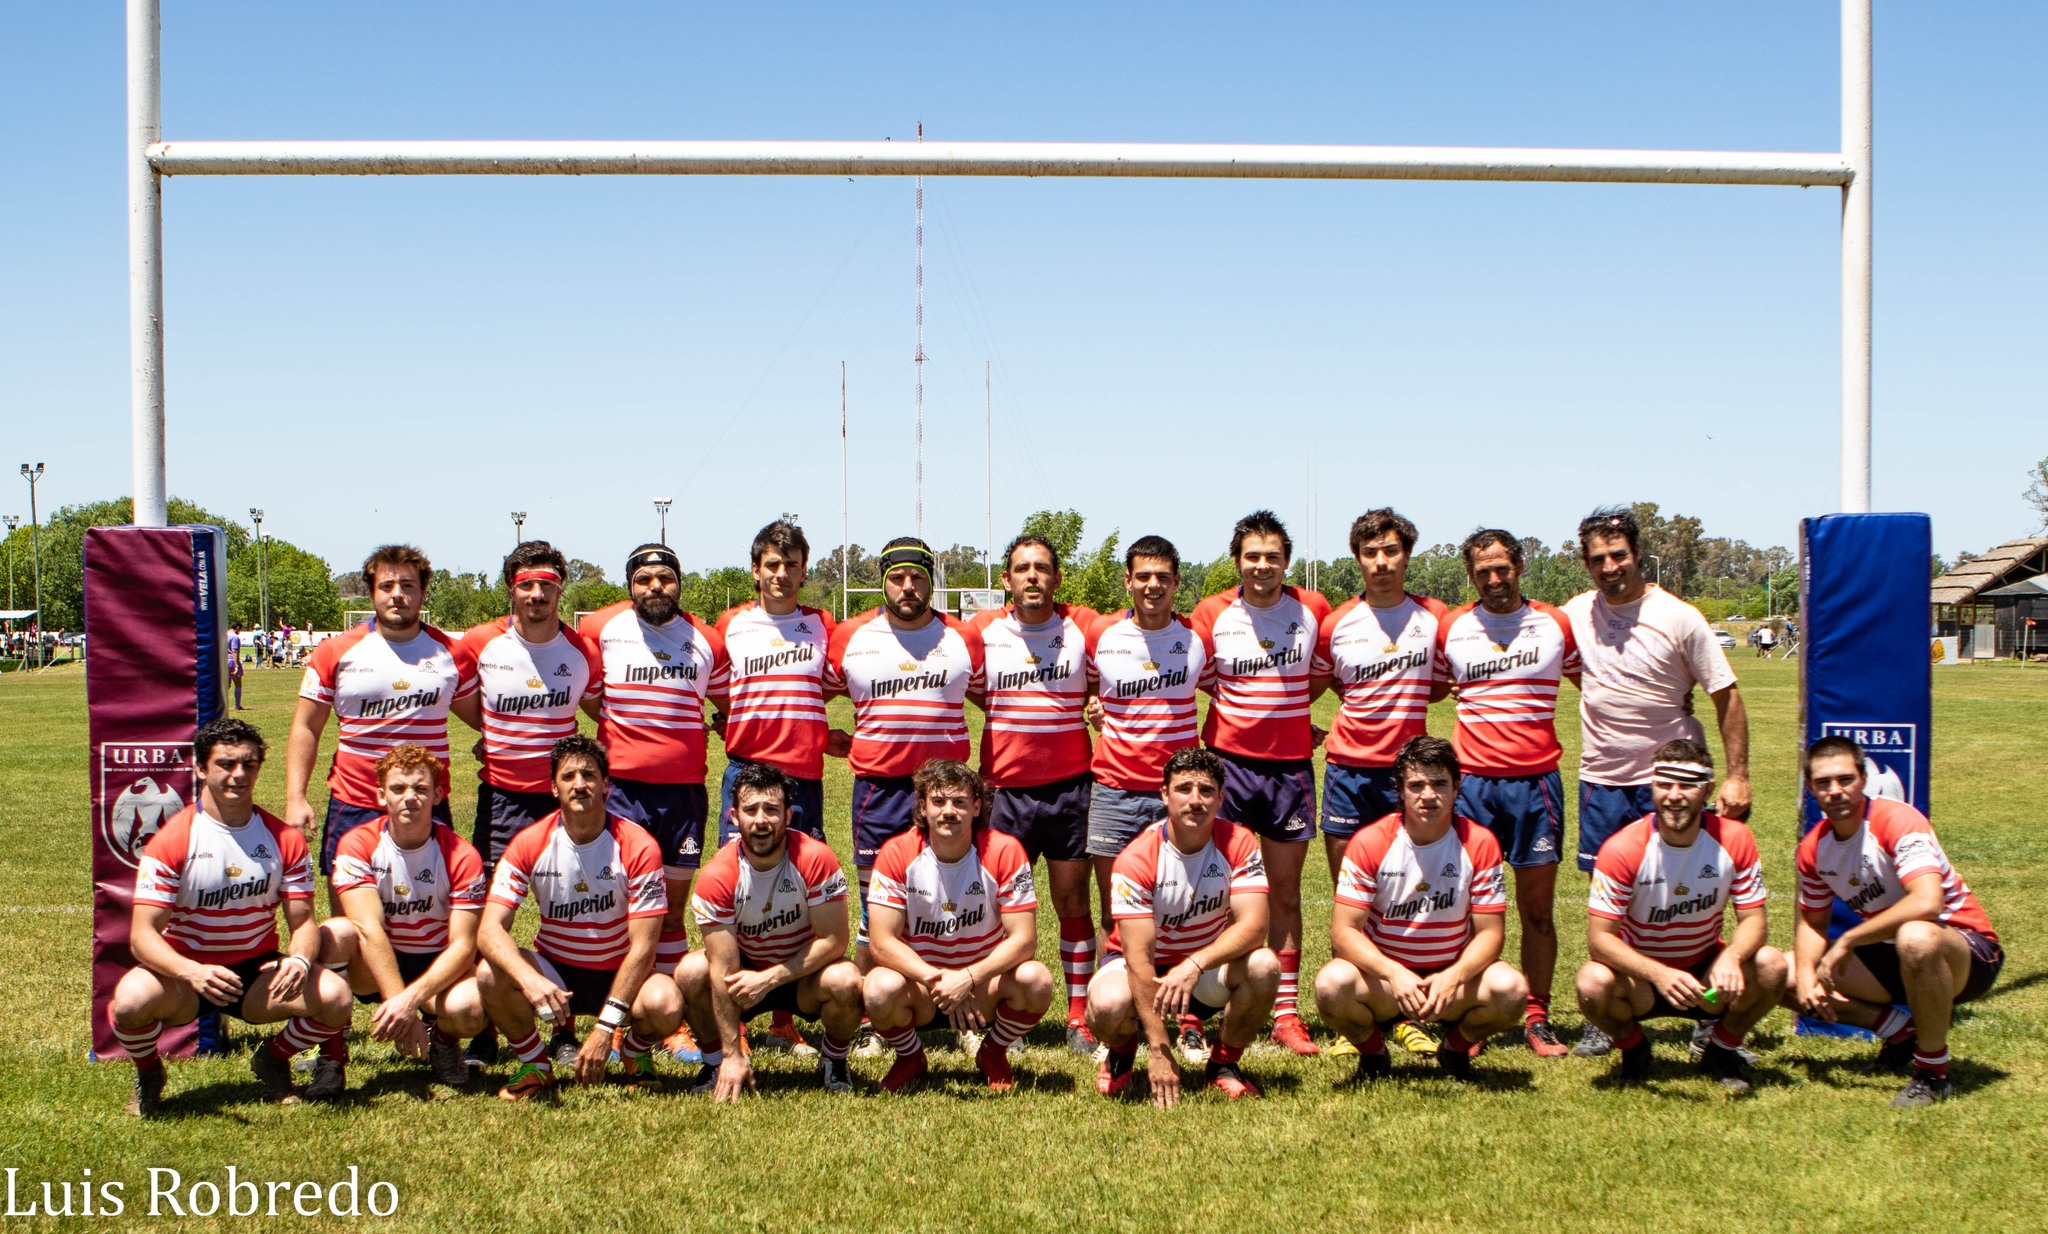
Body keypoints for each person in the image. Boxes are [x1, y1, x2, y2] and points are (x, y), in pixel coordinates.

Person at [1562, 507, 1749, 1057]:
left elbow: (1727, 695)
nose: (1609, 567)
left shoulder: (1680, 616)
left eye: (1618, 555)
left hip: (1673, 784)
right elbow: (1566, 663)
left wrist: (1736, 776)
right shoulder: (1575, 613)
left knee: (1695, 894)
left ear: (1638, 555)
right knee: (1608, 903)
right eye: (1597, 559)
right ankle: (1611, 1012)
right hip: (1603, 778)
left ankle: (1709, 1012)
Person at [108, 718, 354, 1114]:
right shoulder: (171, 840)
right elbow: (142, 937)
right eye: (225, 764)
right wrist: (191, 972)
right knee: (129, 1003)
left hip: (255, 973)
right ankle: (150, 1072)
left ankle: (272, 1059)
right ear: (201, 768)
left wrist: (302, 959)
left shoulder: (284, 839)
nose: (238, 774)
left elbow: (304, 923)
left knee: (336, 997)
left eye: (249, 764)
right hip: (186, 974)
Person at [1786, 736, 2004, 1107]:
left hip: (1964, 951)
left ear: (1863, 779)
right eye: (1823, 783)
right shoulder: (1813, 848)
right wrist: (1806, 977)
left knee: (1916, 936)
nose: (1835, 791)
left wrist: (1848, 940)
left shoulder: (1896, 819)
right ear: (1810, 788)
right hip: (1892, 956)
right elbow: (1811, 924)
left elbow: (1927, 901)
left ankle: (1932, 1073)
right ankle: (1900, 1032)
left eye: (1845, 780)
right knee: (1778, 969)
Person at [1190, 511, 1332, 1056]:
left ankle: (1286, 1012)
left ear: (1286, 562)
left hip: (1289, 769)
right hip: (1227, 767)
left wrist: (1292, 717)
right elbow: (1196, 678)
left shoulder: (1312, 609)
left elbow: (1319, 674)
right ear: (1237, 561)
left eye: (1272, 556)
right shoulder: (1212, 613)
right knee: (1220, 894)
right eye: (1252, 556)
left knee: (1284, 894)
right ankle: (1202, 1005)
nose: (1262, 566)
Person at [1312, 507, 1451, 1059]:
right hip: (1347, 770)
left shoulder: (1434, 616)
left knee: (1403, 894)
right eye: (1371, 553)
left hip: (1407, 777)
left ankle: (1405, 1012)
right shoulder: (1337, 622)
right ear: (1358, 559)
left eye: (1391, 551)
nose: (1381, 562)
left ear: (1406, 556)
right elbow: (1322, 682)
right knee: (1354, 895)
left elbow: (1439, 687)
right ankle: (1361, 1014)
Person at [1437, 528, 1580, 1056]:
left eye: (1503, 568)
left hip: (1536, 783)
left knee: (1537, 909)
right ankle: (1471, 1011)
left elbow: (1593, 679)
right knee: (1469, 909)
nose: (1494, 580)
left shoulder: (1555, 623)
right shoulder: (1452, 626)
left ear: (1519, 565)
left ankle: (1538, 1015)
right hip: (1472, 783)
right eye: (1483, 572)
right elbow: (1431, 684)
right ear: (1471, 575)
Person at [474, 735, 680, 1100]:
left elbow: (644, 948)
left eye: (589, 775)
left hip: (620, 973)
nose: (579, 784)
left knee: (668, 1003)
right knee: (491, 974)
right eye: (568, 777)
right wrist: (529, 979)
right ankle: (535, 1065)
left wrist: (605, 1029)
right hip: (557, 973)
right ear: (553, 787)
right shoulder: (529, 842)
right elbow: (489, 930)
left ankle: (633, 1052)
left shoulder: (638, 845)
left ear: (606, 785)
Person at [1574, 739, 1785, 1093]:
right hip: (1642, 989)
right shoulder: (1623, 849)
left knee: (1772, 965)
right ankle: (1634, 1047)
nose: (1674, 795)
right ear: (1651, 787)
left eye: (1686, 785)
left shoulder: (1735, 839)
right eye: (1664, 784)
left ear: (1707, 789)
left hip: (1708, 991)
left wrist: (1731, 957)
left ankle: (1720, 1048)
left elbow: (1754, 920)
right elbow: (1600, 940)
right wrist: (1659, 974)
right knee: (1592, 982)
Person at [1313, 735, 1527, 1083]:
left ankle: (1455, 1049)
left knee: (1511, 990)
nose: (1429, 795)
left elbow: (1491, 933)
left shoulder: (1481, 843)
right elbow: (1344, 932)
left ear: (1457, 787)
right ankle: (1373, 1054)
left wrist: (1453, 976)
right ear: (1400, 791)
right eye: (1417, 785)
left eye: (1440, 783)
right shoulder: (1370, 842)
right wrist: (1393, 973)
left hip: (1450, 979)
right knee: (1331, 985)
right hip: (1385, 983)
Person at [966, 533, 1101, 1053]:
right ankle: (1006, 1012)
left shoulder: (1082, 628)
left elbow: (1105, 678)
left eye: (1042, 568)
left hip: (1070, 788)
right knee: (1001, 909)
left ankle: (1078, 1017)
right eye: (1022, 568)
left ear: (1057, 577)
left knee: (1072, 901)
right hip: (1004, 792)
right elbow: (970, 686)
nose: (1032, 577)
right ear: (1006, 579)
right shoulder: (982, 632)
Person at [822, 536, 985, 965]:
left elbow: (996, 701)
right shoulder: (850, 636)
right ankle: (869, 1019)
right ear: (883, 583)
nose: (908, 585)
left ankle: (957, 1006)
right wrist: (821, 737)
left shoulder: (964, 637)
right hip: (879, 790)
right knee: (875, 908)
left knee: (953, 905)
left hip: (947, 792)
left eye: (918, 576)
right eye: (897, 577)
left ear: (931, 582)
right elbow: (801, 700)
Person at [714, 520, 844, 1054]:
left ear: (804, 571)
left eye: (792, 565)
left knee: (797, 892)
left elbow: (836, 682)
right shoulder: (730, 623)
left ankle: (783, 1021)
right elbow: (715, 685)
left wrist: (820, 732)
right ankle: (734, 1016)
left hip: (802, 777)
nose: (782, 574)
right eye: (772, 564)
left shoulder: (822, 624)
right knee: (739, 890)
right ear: (755, 570)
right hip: (744, 771)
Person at [1087, 747, 1278, 1106]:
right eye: (1183, 789)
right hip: (1142, 970)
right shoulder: (1135, 860)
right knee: (1107, 1005)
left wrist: (1194, 964)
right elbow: (1139, 958)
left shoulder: (1239, 842)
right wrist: (1158, 1050)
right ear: (1164, 794)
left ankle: (1224, 1064)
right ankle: (1123, 1051)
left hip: (1201, 968)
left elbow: (1255, 926)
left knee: (1264, 966)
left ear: (1221, 798)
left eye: (1206, 790)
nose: (1195, 800)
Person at [579, 543, 730, 988]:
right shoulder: (598, 628)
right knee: (618, 904)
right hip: (621, 789)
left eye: (665, 578)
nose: (655, 587)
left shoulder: (707, 640)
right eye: (644, 580)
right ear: (630, 586)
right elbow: (585, 693)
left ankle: (669, 1012)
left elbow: (725, 703)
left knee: (671, 908)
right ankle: (625, 1006)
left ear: (679, 583)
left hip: (682, 793)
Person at [286, 545, 473, 885]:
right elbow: (305, 727)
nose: (397, 594)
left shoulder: (453, 654)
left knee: (429, 906)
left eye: (408, 585)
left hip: (425, 800)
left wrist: (491, 742)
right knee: (348, 916)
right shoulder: (334, 651)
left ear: (423, 592)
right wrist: (295, 797)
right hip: (354, 799)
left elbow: (485, 717)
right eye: (387, 586)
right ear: (371, 593)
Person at [679, 761, 866, 1099]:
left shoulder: (816, 858)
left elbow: (834, 941)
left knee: (847, 980)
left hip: (803, 975)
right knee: (692, 972)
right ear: (733, 817)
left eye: (771, 809)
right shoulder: (717, 875)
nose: (761, 820)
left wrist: (770, 978)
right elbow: (722, 965)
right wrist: (734, 1053)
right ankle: (716, 1061)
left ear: (789, 815)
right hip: (742, 976)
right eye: (751, 810)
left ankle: (834, 1060)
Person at [863, 759, 1052, 1092]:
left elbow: (1024, 940)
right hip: (922, 986)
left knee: (1036, 980)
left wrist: (967, 978)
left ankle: (993, 1053)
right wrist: (940, 980)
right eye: (938, 801)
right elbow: (881, 943)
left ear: (977, 806)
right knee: (878, 989)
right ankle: (910, 1057)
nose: (948, 811)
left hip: (981, 988)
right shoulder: (896, 853)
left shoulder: (1005, 851)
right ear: (923, 806)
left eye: (960, 802)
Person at [317, 743, 490, 1090]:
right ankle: (331, 1056)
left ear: (438, 794)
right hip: (375, 963)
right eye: (398, 788)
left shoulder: (462, 854)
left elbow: (463, 944)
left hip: (436, 963)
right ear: (381, 795)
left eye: (421, 788)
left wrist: (410, 1001)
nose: (410, 797)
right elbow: (367, 928)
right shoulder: (356, 844)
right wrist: (400, 1003)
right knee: (334, 933)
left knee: (470, 1010)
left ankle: (443, 1042)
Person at [451, 540, 602, 880]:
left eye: (547, 584)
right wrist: (493, 733)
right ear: (511, 589)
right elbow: (452, 699)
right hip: (502, 795)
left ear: (560, 589)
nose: (537, 594)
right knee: (489, 902)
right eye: (526, 585)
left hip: (563, 793)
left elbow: (602, 712)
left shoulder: (584, 653)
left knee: (576, 899)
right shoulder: (479, 643)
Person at [226, 623, 245, 710]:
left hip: (223, 660)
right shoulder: (235, 637)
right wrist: (236, 664)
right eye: (240, 629)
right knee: (238, 684)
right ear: (237, 628)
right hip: (231, 661)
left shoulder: (225, 634)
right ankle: (237, 705)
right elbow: (234, 651)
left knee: (226, 685)